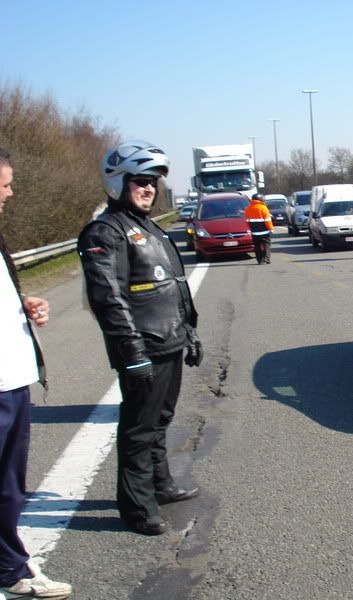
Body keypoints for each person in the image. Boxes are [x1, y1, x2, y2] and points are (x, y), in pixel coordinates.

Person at [78, 140, 202, 536]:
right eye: (141, 181)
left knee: (160, 420)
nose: (150, 189)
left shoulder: (148, 227)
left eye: (154, 182)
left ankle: (160, 485)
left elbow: (173, 287)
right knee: (138, 428)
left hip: (169, 341)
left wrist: (190, 332)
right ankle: (136, 508)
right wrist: (132, 353)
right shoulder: (106, 231)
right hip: (143, 348)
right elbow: (108, 300)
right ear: (118, 182)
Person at [0, 148, 73, 598]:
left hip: (12, 378)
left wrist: (24, 309)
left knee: (9, 490)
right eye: (3, 185)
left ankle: (10, 568)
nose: (10, 193)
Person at [244, 194, 274, 264]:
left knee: (257, 246)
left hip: (254, 232)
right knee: (267, 244)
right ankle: (267, 258)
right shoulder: (263, 208)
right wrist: (271, 229)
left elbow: (247, 221)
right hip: (264, 232)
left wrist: (251, 229)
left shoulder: (248, 208)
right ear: (260, 199)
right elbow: (267, 220)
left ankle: (259, 260)